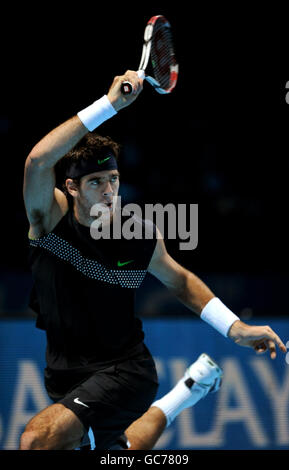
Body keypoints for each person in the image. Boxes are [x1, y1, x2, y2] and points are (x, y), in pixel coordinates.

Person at [21, 70, 286, 451]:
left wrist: (236, 328)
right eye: (96, 182)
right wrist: (109, 105)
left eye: (113, 178)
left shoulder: (138, 235)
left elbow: (180, 281)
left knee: (35, 440)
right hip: (64, 372)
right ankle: (183, 396)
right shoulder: (49, 219)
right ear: (71, 188)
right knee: (118, 451)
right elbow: (37, 162)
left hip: (125, 370)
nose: (110, 190)